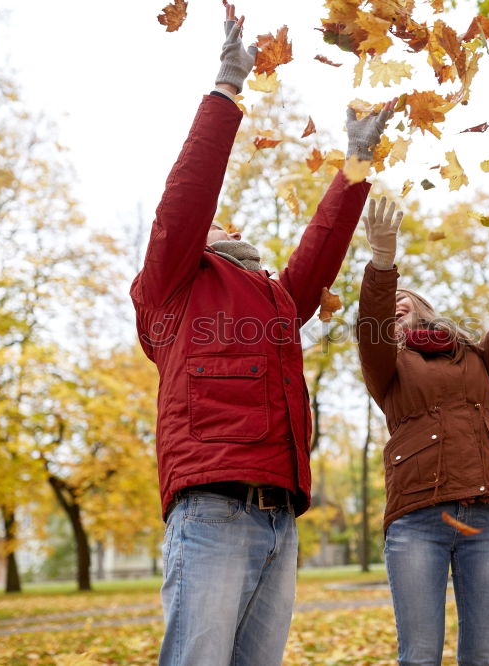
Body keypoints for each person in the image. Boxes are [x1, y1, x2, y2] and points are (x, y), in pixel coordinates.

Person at [129, 4, 392, 664]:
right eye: (217, 223)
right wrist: (226, 88)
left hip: (280, 512)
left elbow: (321, 247)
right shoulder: (173, 287)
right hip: (213, 508)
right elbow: (187, 198)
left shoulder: (274, 299)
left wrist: (357, 160)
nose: (227, 222)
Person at [355, 166, 489, 666]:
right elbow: (371, 325)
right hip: (418, 519)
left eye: (406, 301)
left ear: (426, 310)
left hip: (488, 518)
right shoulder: (388, 366)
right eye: (391, 306)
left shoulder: (478, 358)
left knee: (483, 658)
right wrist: (383, 262)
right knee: (420, 657)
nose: (396, 307)